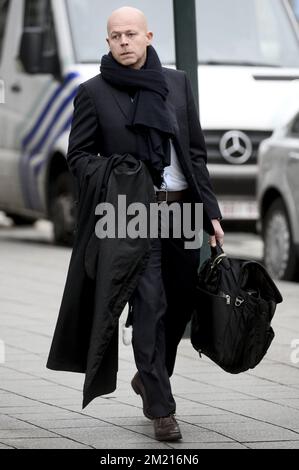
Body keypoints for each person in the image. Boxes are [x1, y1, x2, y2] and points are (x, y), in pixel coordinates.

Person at [47, 6, 224, 442]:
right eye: (115, 36)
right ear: (107, 43)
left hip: (181, 210)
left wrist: (211, 210)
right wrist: (119, 169)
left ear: (147, 36)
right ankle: (162, 409)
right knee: (150, 305)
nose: (124, 42)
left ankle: (150, 377)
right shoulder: (93, 93)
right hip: (128, 213)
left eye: (131, 34)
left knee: (179, 303)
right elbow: (79, 158)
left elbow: (194, 152)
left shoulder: (177, 83)